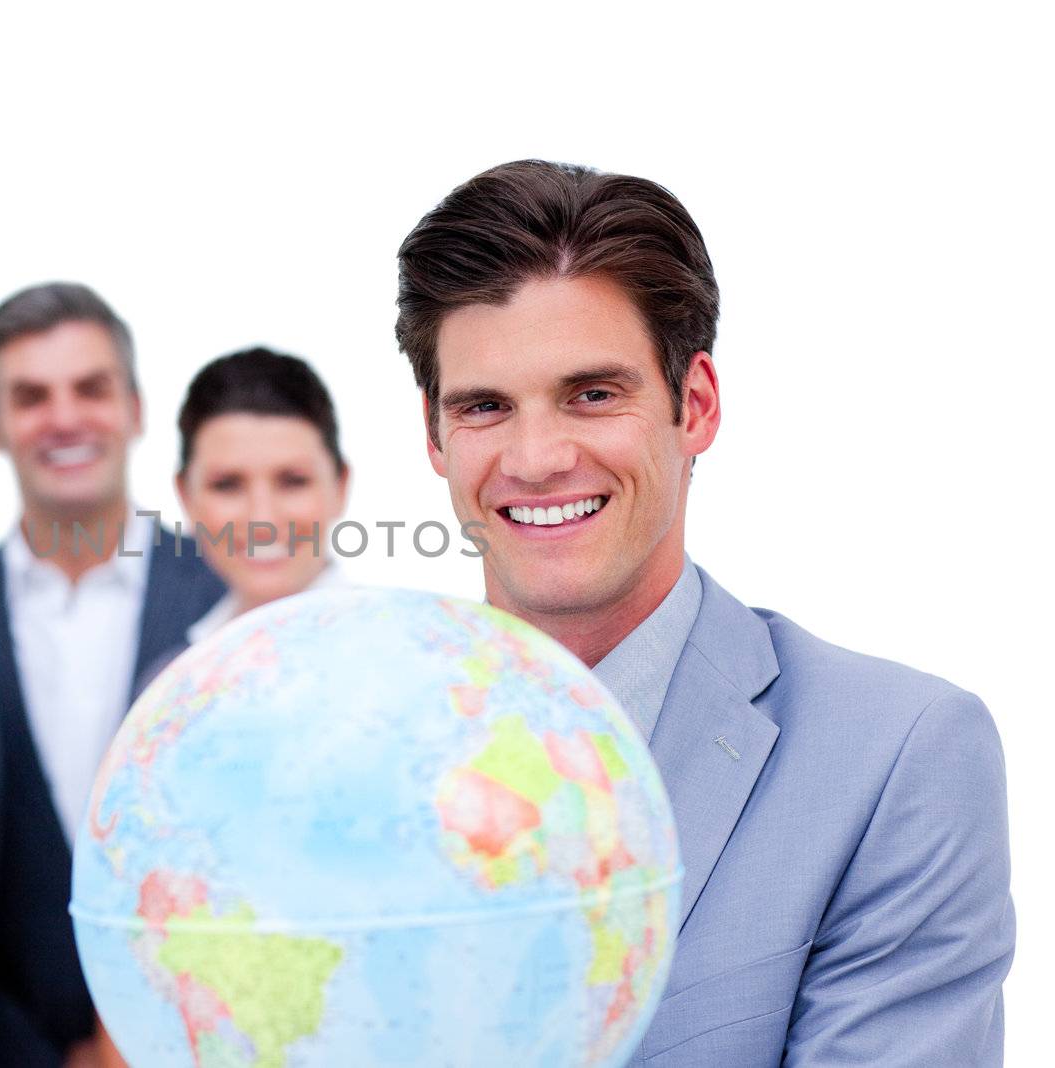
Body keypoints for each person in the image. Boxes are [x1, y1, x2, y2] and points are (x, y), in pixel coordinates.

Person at [396, 160, 1013, 1065]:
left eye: (592, 394)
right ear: (434, 438)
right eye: (485, 406)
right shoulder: (332, 752)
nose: (535, 458)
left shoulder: (898, 759)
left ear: (696, 405)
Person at [0, 282, 224, 1067]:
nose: (65, 417)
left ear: (136, 409)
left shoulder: (226, 601)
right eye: (31, 396)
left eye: (91, 389)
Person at [174, 346, 351, 643]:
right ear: (186, 497)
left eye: (293, 481)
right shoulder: (170, 675)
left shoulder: (414, 661)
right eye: (227, 485)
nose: (262, 519)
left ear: (340, 486)